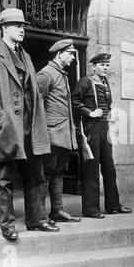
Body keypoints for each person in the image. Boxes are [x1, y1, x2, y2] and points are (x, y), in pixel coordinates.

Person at [0, 8, 59, 241]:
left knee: (36, 175)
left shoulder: (26, 55)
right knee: (6, 178)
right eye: (17, 25)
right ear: (4, 28)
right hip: (9, 127)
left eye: (23, 26)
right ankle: (7, 225)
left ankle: (37, 219)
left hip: (31, 127)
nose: (22, 29)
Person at [72, 53, 132, 219]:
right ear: (93, 67)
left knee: (109, 168)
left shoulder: (105, 83)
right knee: (91, 169)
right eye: (102, 65)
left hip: (104, 128)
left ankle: (113, 205)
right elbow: (75, 102)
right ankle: (91, 209)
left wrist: (110, 113)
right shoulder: (85, 82)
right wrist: (90, 113)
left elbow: (108, 103)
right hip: (91, 128)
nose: (105, 68)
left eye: (107, 65)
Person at [36, 39, 81, 223]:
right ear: (59, 53)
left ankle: (57, 210)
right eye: (70, 54)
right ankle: (40, 215)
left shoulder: (61, 73)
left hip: (63, 134)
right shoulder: (46, 74)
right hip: (51, 134)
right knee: (46, 173)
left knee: (58, 171)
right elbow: (36, 105)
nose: (72, 58)